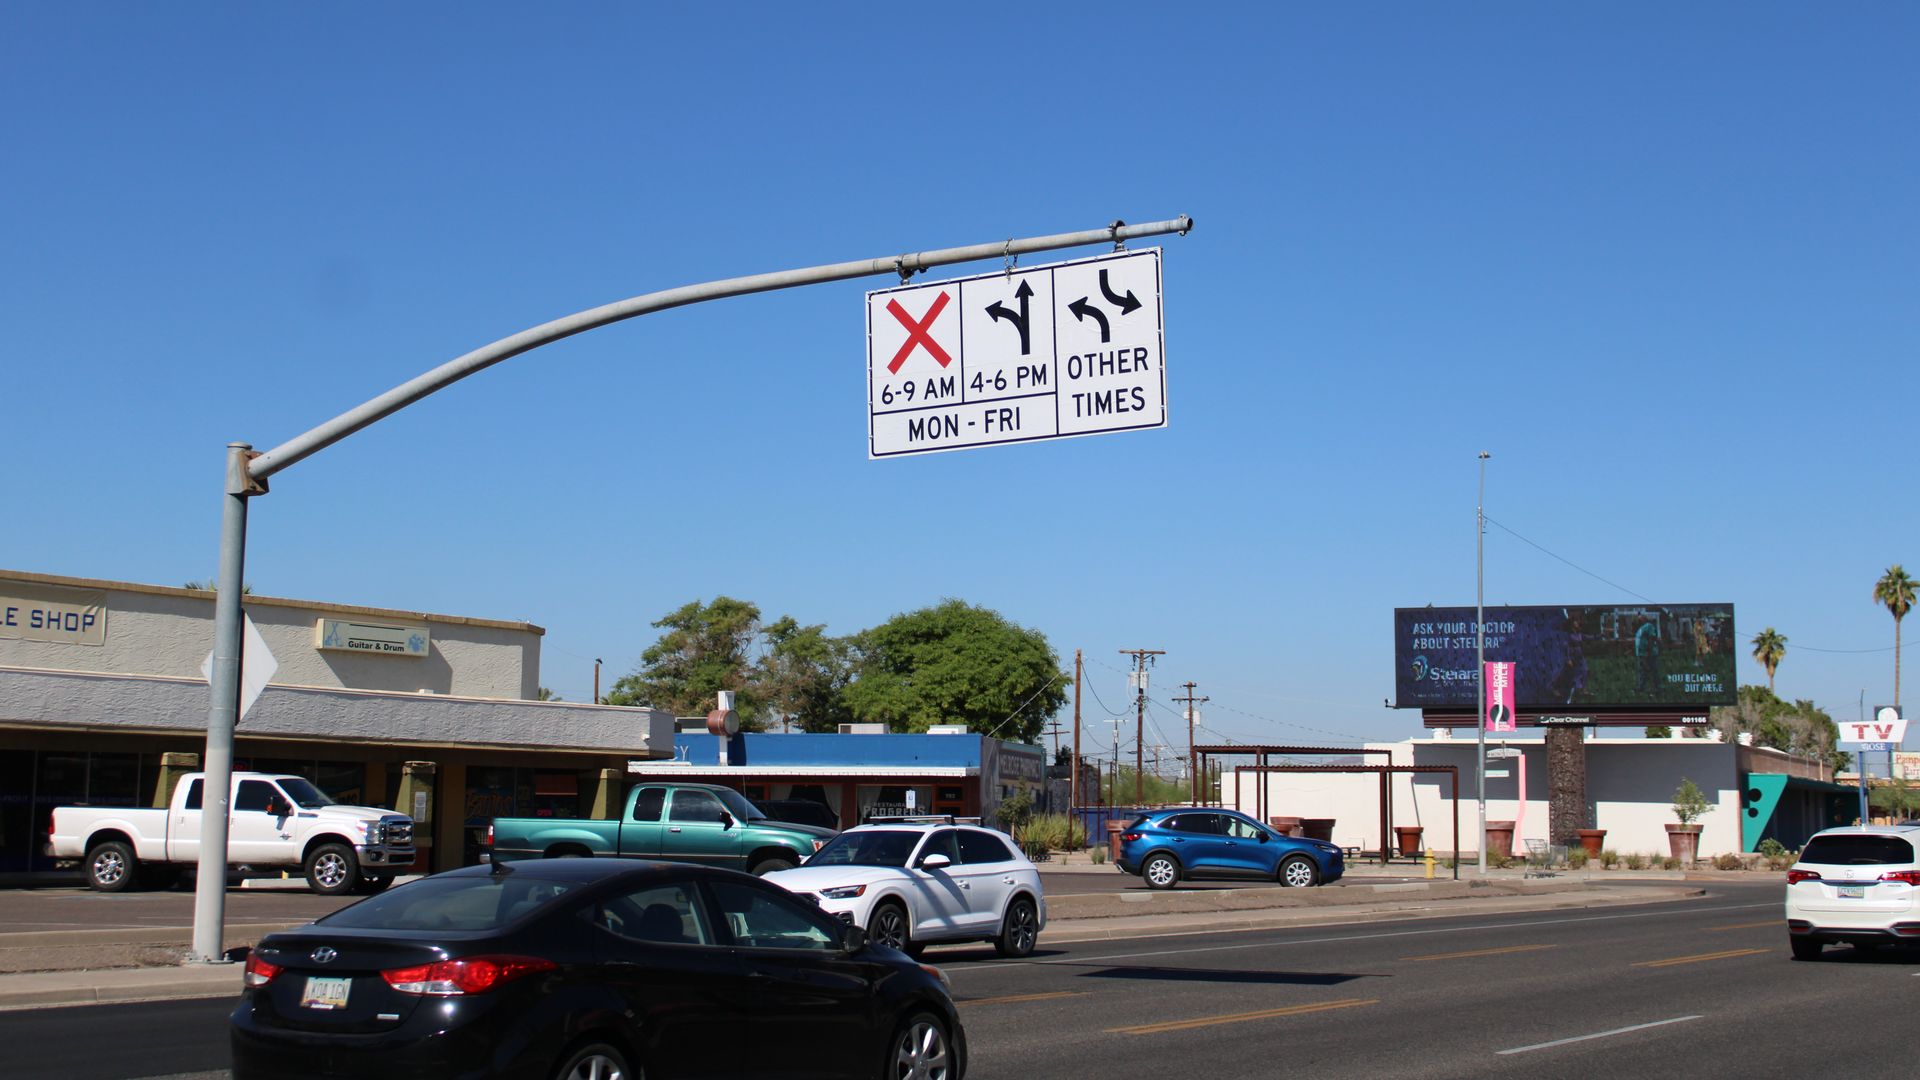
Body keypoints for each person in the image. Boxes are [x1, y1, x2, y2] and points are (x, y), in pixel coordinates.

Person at [1634, 616, 1661, 696]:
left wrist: (1648, 651)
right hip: (1641, 654)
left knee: (1653, 671)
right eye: (1638, 619)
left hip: (1649, 654)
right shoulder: (1641, 628)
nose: (1638, 620)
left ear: (1645, 619)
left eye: (1640, 619)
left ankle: (1658, 689)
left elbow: (1651, 638)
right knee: (1642, 671)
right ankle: (1641, 688)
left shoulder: (1649, 626)